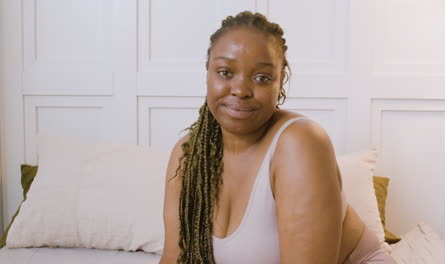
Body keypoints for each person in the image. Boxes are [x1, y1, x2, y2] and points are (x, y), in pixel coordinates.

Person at [160, 11, 395, 264]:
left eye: (261, 78)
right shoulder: (188, 155)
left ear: (279, 82)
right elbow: (174, 258)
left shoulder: (300, 143)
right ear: (208, 73)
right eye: (225, 72)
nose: (240, 90)